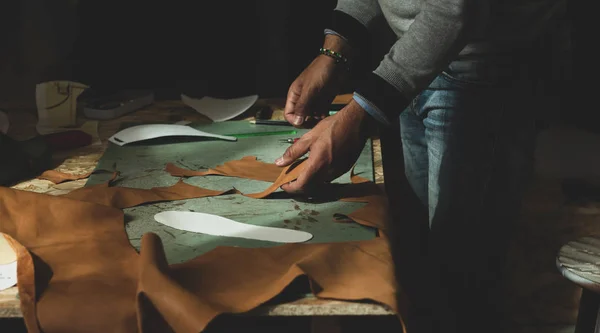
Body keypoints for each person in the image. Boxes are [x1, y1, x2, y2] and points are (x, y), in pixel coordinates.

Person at [274, 0, 567, 332]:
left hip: (484, 72)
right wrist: (333, 52)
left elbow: (455, 10)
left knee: (459, 276)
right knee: (429, 262)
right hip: (417, 57)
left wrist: (360, 117)